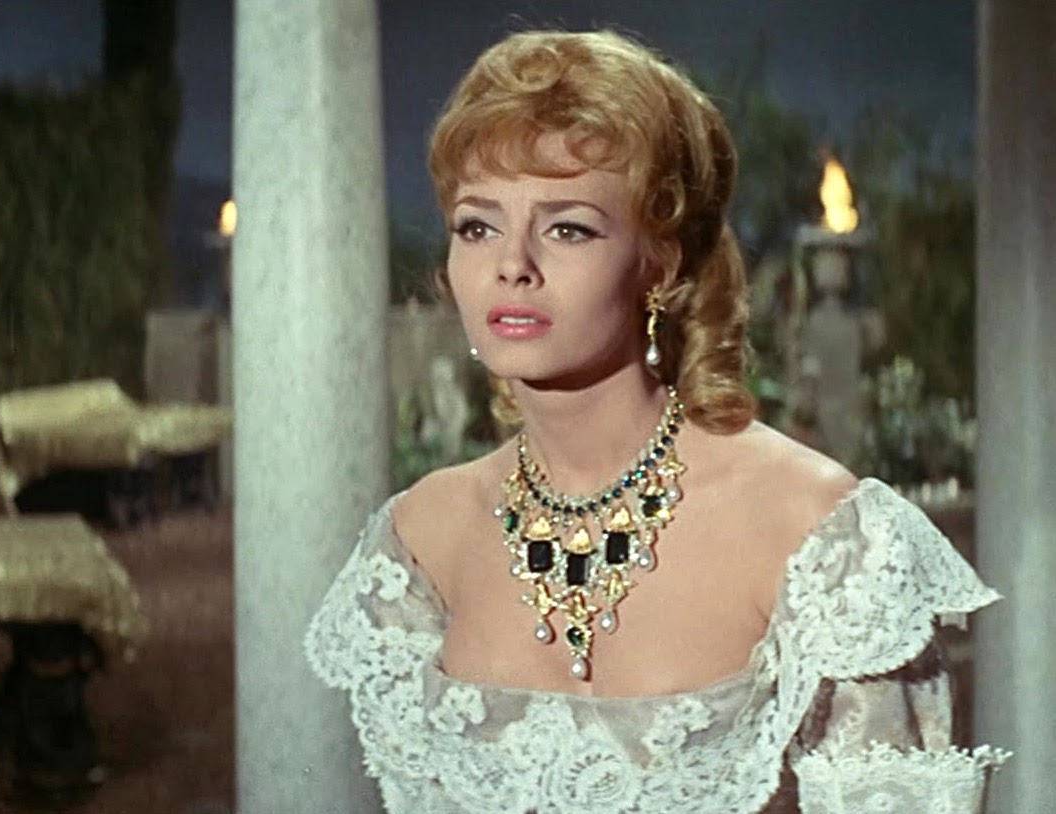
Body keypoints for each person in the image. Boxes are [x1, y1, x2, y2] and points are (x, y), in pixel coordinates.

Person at [305, 29, 1006, 813]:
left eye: (568, 227)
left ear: (659, 265)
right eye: (478, 226)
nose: (512, 264)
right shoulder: (418, 542)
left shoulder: (818, 535)